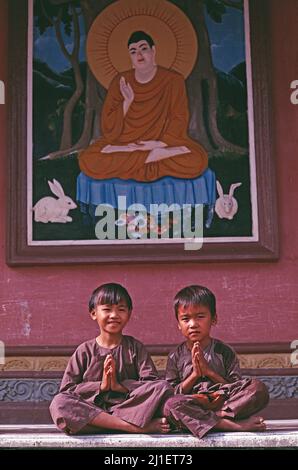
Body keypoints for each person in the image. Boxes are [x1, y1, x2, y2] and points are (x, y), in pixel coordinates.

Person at [79, 31, 208, 182]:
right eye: (133, 51)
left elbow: (179, 118)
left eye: (143, 48)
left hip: (160, 143)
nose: (139, 54)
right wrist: (127, 101)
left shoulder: (174, 80)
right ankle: (153, 158)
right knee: (89, 159)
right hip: (125, 142)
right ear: (130, 57)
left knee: (197, 159)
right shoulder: (120, 81)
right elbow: (108, 128)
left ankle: (142, 160)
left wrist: (159, 143)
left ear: (153, 51)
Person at [50, 283, 172, 434]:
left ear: (129, 314)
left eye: (121, 309)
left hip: (129, 408)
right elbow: (67, 391)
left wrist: (119, 387)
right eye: (107, 309)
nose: (114, 315)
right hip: (93, 411)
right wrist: (101, 387)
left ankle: (108, 425)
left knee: (163, 387)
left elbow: (152, 384)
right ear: (93, 313)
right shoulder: (84, 351)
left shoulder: (135, 347)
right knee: (60, 403)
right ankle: (133, 427)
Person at [163, 285, 270, 439]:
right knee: (170, 405)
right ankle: (228, 424)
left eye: (200, 316)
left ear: (214, 319)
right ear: (179, 324)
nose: (193, 324)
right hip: (193, 403)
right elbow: (172, 392)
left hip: (224, 402)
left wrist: (209, 372)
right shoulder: (175, 355)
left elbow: (236, 386)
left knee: (258, 389)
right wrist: (194, 375)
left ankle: (212, 417)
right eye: (186, 319)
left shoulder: (224, 351)